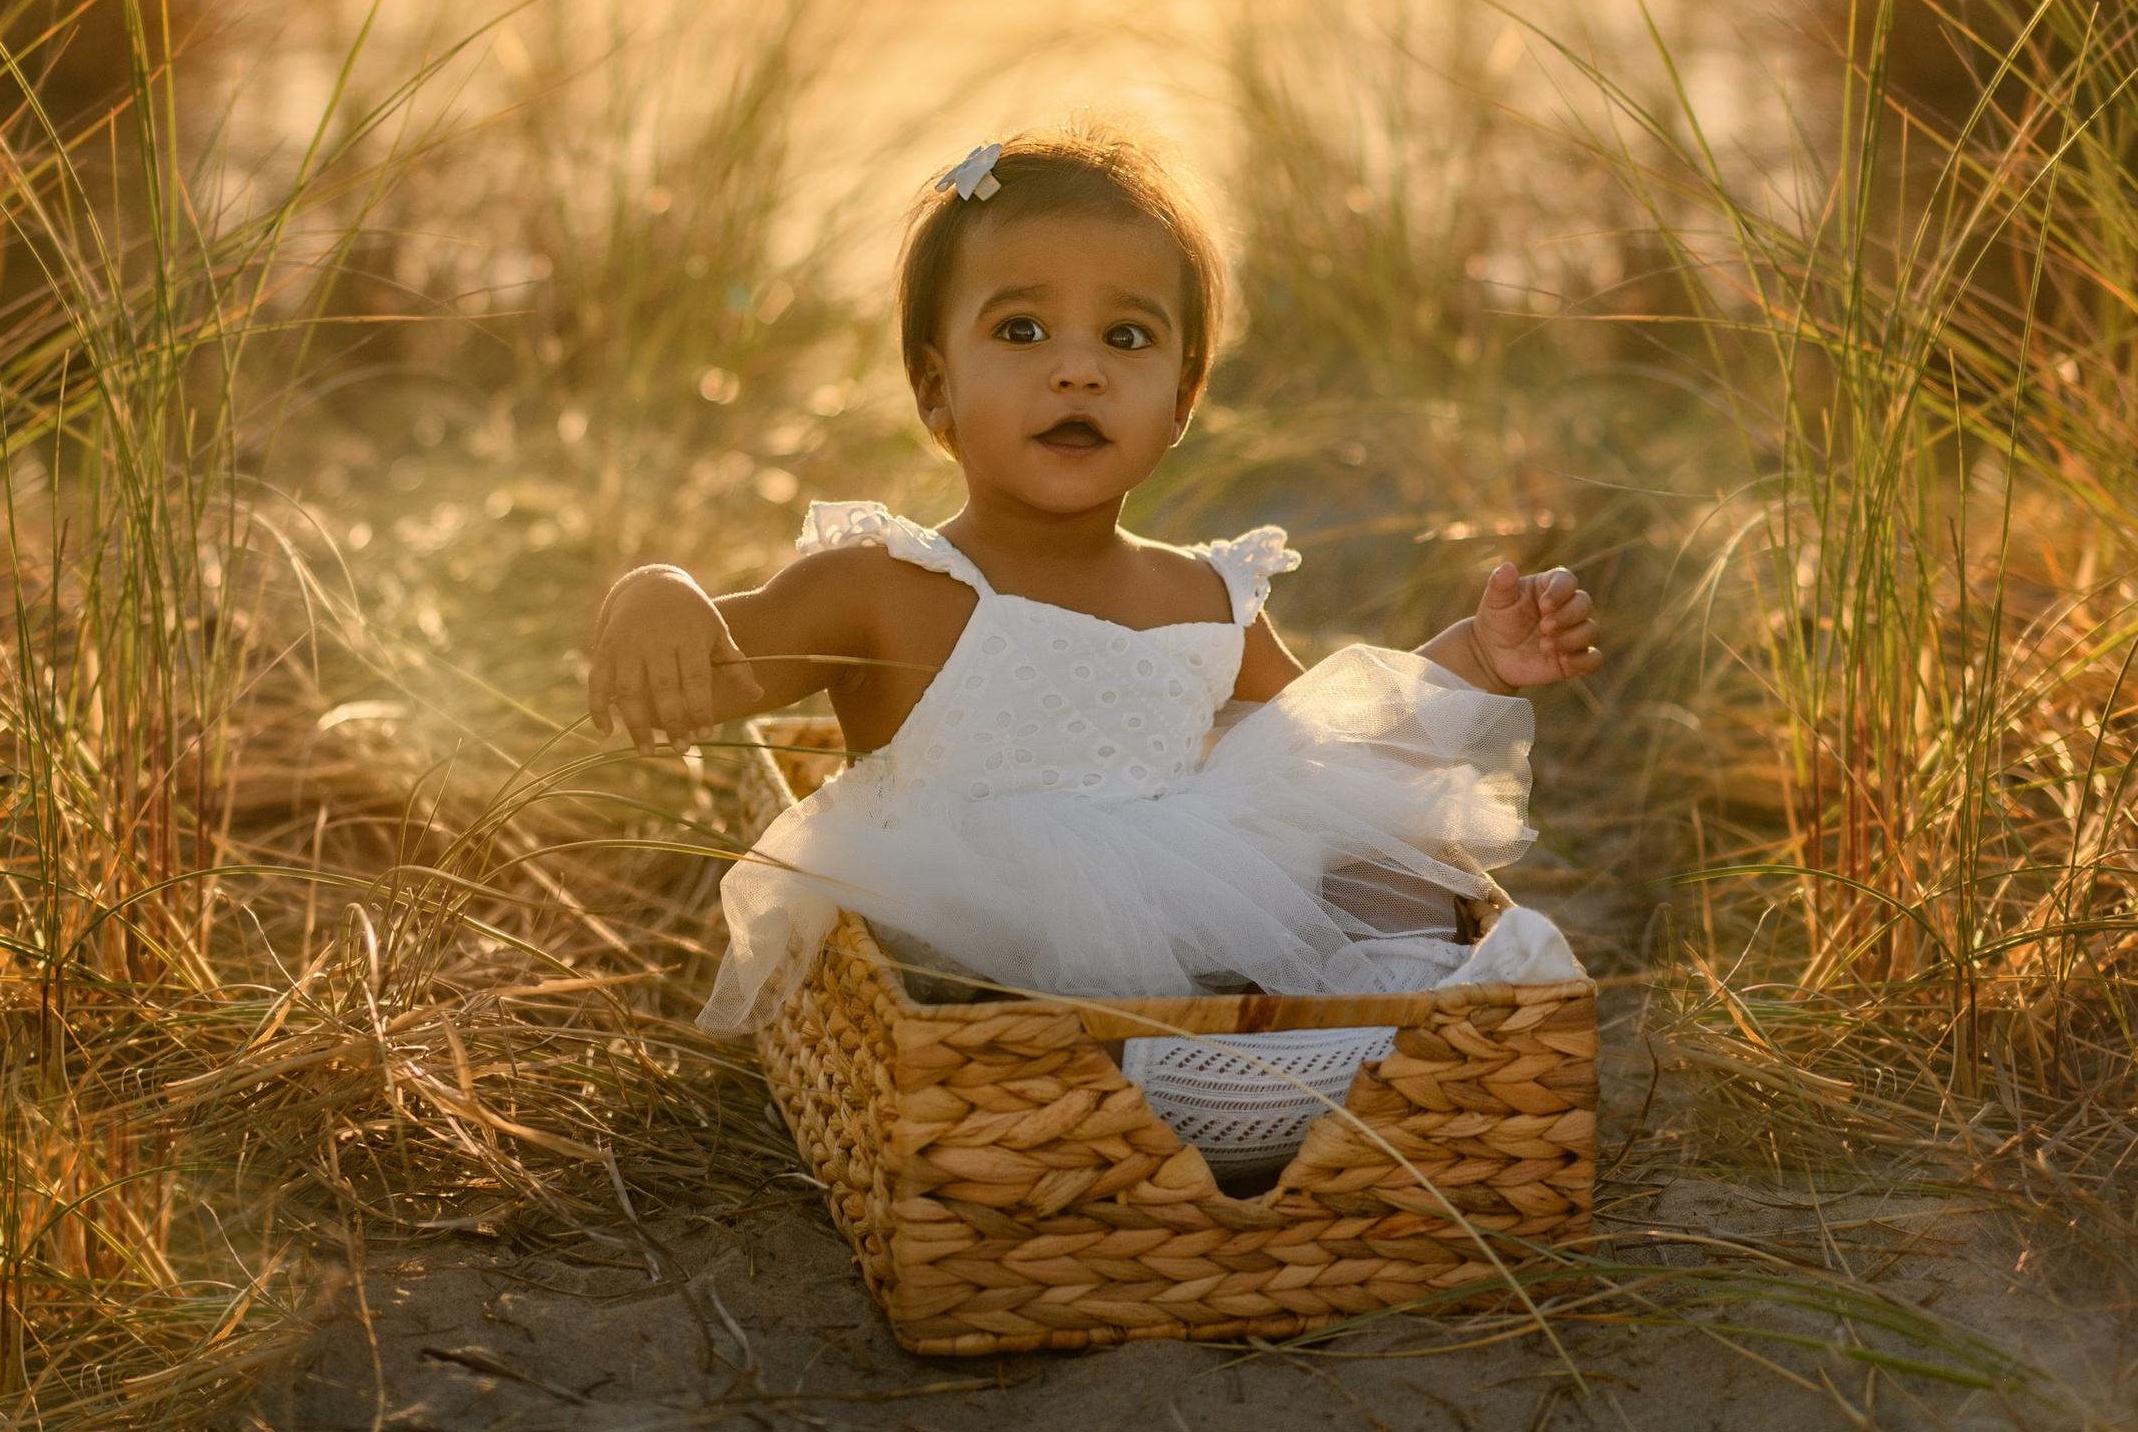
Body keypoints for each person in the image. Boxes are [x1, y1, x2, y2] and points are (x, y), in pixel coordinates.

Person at [588, 120, 1604, 1036]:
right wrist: (656, 593)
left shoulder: (1205, 597)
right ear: (935, 387)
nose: (1077, 370)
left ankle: (1378, 1032)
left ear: (1179, 401)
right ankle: (1183, 1078)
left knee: (1378, 854)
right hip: (973, 938)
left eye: (1127, 337)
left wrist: (1476, 657)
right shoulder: (881, 583)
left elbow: (1326, 751)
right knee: (1032, 1005)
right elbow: (719, 670)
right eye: (1021, 331)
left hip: (1193, 907)